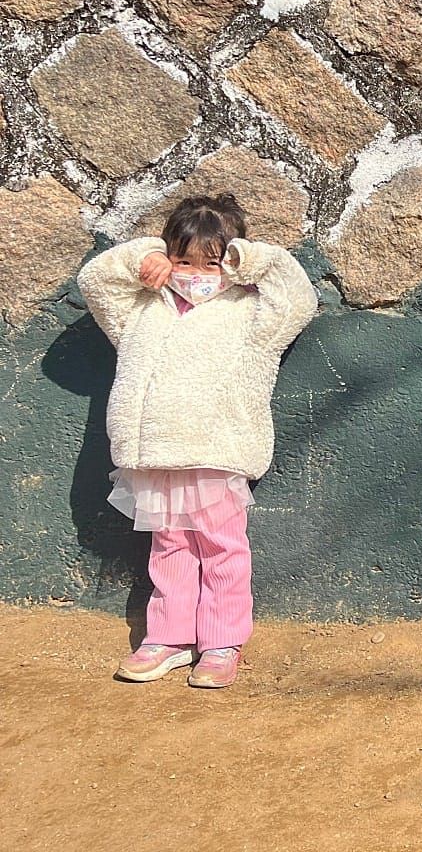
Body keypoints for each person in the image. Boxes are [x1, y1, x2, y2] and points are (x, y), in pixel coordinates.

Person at [78, 193, 317, 688]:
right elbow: (96, 281)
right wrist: (140, 257)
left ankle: (221, 641)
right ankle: (167, 637)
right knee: (168, 545)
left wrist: (252, 260)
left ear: (230, 258)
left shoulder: (252, 313)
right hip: (156, 450)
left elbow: (298, 297)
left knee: (222, 546)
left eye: (210, 261)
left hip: (216, 448)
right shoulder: (142, 308)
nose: (194, 272)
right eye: (182, 259)